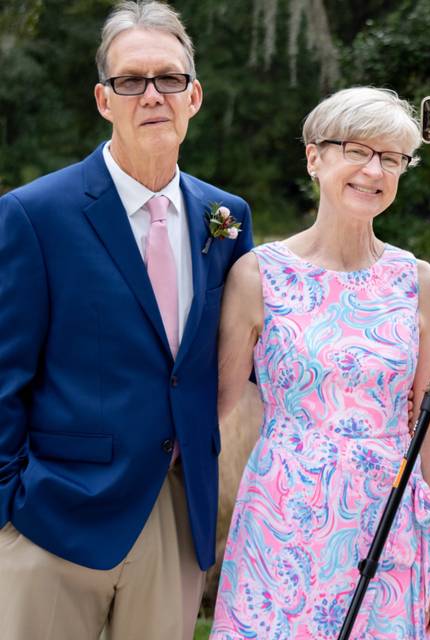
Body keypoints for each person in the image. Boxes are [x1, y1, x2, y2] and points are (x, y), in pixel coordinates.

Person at [0, 2, 253, 639]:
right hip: (53, 519)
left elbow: (252, 346)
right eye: (130, 81)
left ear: (193, 96)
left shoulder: (226, 219)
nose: (151, 95)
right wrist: (9, 515)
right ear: (103, 99)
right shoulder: (35, 214)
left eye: (169, 79)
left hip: (176, 513)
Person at [211, 87, 430, 639]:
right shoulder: (257, 275)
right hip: (284, 517)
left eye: (391, 158)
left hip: (390, 520)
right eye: (358, 151)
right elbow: (216, 406)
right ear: (314, 157)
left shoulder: (420, 284)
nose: (374, 170)